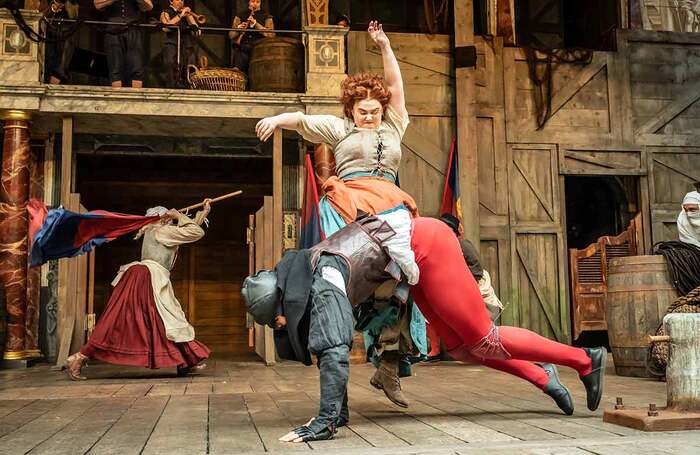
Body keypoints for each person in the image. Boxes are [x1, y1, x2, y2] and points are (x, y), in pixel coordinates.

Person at [255, 21, 424, 407]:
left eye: (375, 111)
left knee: (404, 284)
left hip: (392, 205)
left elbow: (396, 86)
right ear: (351, 110)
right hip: (350, 205)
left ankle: (390, 364)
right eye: (363, 111)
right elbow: (300, 119)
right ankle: (332, 356)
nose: (370, 117)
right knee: (337, 280)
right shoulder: (339, 127)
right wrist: (276, 119)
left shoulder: (395, 124)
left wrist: (383, 44)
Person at [410, 217, 606, 416]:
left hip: (422, 245)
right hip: (406, 265)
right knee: (460, 350)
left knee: (486, 340)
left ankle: (584, 359)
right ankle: (541, 376)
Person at [243, 213, 405, 442]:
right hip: (398, 257)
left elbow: (335, 352)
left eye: (275, 318)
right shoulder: (306, 272)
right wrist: (337, 413)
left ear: (282, 303)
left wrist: (325, 422)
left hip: (418, 246)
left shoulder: (322, 283)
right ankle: (338, 412)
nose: (278, 325)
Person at [64, 201, 212, 380]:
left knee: (166, 320)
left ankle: (186, 361)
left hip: (143, 277)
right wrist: (178, 215)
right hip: (147, 278)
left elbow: (187, 232)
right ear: (164, 219)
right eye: (169, 219)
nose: (172, 222)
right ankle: (79, 357)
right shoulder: (162, 231)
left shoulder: (154, 230)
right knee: (162, 319)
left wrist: (202, 213)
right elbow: (195, 233)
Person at [94, 0, 153, 88]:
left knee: (136, 66)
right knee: (115, 67)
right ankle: (116, 98)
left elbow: (149, 6)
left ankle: (136, 98)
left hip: (133, 29)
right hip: (112, 30)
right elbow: (97, 4)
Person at [160, 0, 200, 88]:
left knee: (186, 65)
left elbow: (197, 30)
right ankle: (170, 86)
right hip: (171, 43)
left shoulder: (186, 14)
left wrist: (189, 16)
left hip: (185, 44)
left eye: (182, 0)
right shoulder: (165, 12)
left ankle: (186, 85)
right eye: (178, 0)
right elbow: (166, 25)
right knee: (171, 64)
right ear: (171, 1)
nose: (181, 2)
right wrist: (181, 15)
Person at [228, 0, 274, 74]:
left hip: (260, 48)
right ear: (249, 2)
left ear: (260, 3)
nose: (255, 4)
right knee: (239, 66)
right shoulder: (240, 16)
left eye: (257, 2)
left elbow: (271, 35)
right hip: (244, 48)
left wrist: (256, 24)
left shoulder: (267, 16)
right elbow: (231, 35)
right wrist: (238, 28)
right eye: (253, 1)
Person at [42, 0, 78, 85]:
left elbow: (73, 15)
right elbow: (40, 18)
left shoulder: (71, 8)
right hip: (48, 46)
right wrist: (52, 9)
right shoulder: (48, 4)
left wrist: (58, 74)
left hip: (62, 44)